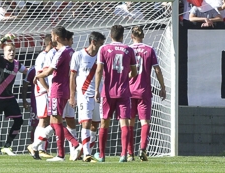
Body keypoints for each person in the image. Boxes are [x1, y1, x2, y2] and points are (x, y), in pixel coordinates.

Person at [35, 26, 81, 161]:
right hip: (65, 89)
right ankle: (64, 149)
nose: (51, 37)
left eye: (52, 34)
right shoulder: (72, 52)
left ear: (57, 37)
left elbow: (49, 71)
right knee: (56, 122)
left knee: (56, 123)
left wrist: (38, 76)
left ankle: (67, 150)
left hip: (57, 88)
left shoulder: (61, 53)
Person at [94, 24, 138, 162]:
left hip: (107, 92)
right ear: (122, 35)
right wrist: (126, 77)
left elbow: (99, 70)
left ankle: (101, 156)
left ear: (111, 35)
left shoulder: (104, 48)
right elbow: (135, 72)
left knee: (104, 123)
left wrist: (96, 90)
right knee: (124, 123)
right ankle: (124, 154)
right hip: (124, 92)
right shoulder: (128, 49)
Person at [129, 26, 166, 161]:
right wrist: (162, 87)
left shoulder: (127, 50)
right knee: (145, 121)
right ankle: (143, 149)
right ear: (143, 36)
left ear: (131, 36)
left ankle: (129, 153)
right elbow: (157, 70)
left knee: (129, 122)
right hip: (144, 91)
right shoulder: (150, 50)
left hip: (129, 91)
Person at [69, 31, 104, 162]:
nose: (102, 46)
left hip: (98, 94)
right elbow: (72, 76)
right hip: (84, 94)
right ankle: (87, 154)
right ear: (93, 42)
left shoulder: (101, 57)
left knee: (95, 125)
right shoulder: (78, 55)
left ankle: (83, 150)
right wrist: (72, 96)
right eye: (100, 44)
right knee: (86, 123)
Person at [27, 33, 57, 159]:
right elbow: (39, 76)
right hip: (43, 92)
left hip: (46, 91)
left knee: (49, 120)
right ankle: (38, 148)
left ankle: (39, 147)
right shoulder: (42, 56)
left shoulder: (51, 55)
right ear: (50, 43)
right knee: (44, 120)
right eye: (55, 42)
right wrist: (48, 89)